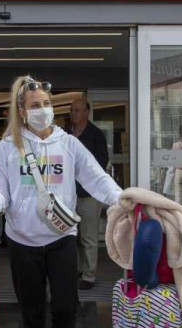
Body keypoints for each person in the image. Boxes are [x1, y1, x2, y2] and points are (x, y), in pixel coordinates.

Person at [0, 75, 122, 328]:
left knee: (66, 310)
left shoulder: (68, 143)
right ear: (22, 111)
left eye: (47, 103)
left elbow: (97, 178)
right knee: (31, 313)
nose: (43, 110)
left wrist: (123, 200)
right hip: (22, 242)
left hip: (62, 238)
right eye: (35, 105)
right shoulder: (9, 146)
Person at [66, 97, 109, 291]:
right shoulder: (65, 135)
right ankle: (75, 269)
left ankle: (89, 275)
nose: (73, 113)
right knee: (68, 235)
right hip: (68, 195)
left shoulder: (96, 135)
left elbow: (100, 164)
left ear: (86, 112)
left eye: (77, 110)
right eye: (72, 110)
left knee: (89, 237)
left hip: (89, 195)